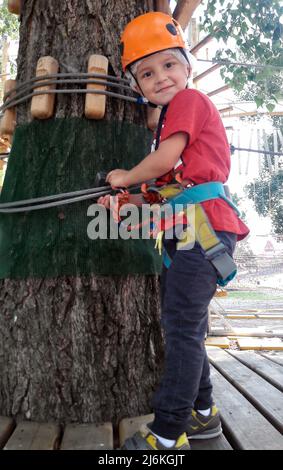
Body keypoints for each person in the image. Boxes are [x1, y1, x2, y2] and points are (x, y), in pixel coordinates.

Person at [98, 12, 249, 450]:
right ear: (137, 85)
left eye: (168, 65)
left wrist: (126, 176)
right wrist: (126, 200)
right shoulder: (169, 121)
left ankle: (165, 436)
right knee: (186, 326)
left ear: (187, 67)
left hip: (202, 232)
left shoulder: (189, 102)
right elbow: (166, 189)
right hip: (190, 232)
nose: (160, 78)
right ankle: (204, 414)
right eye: (147, 72)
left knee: (181, 331)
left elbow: (164, 164)